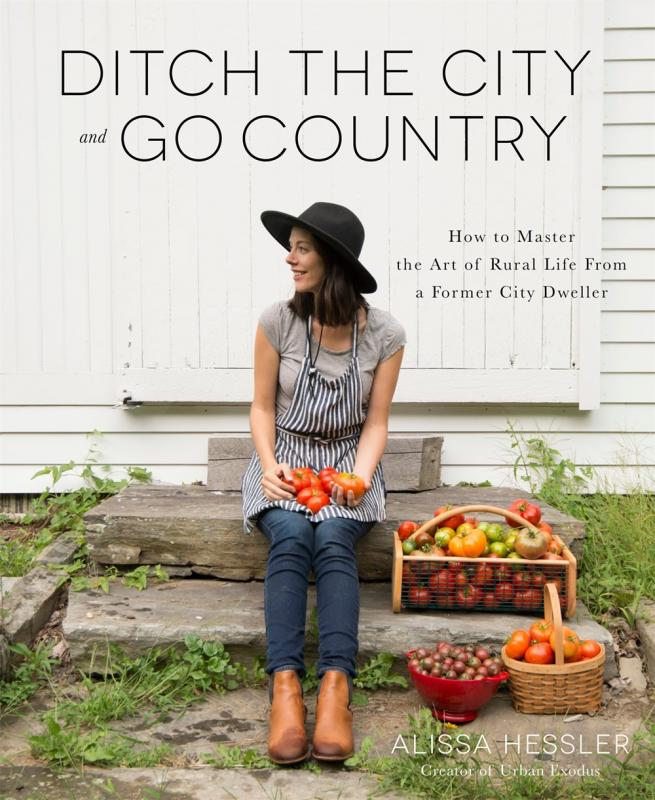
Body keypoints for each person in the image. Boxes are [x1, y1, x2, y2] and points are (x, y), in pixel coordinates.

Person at [241, 201, 406, 764]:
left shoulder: (384, 333)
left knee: (333, 538)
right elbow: (262, 408)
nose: (290, 258)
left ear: (331, 259)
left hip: (346, 463)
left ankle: (336, 687)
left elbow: (377, 421)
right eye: (291, 246)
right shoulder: (276, 321)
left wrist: (360, 477)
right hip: (285, 456)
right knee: (290, 533)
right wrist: (267, 465)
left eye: (302, 248)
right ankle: (285, 687)